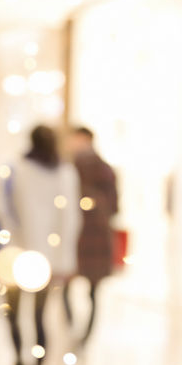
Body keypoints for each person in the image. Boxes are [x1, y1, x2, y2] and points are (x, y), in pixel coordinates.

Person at [4, 125, 81, 365]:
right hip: (47, 258)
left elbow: (5, 212)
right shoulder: (65, 173)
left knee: (14, 314)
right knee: (39, 316)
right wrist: (64, 261)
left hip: (18, 254)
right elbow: (70, 219)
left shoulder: (17, 169)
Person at [64, 126, 118, 348]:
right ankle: (80, 336)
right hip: (91, 236)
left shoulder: (72, 169)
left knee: (73, 285)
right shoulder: (101, 169)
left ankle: (77, 334)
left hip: (80, 235)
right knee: (89, 290)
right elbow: (114, 206)